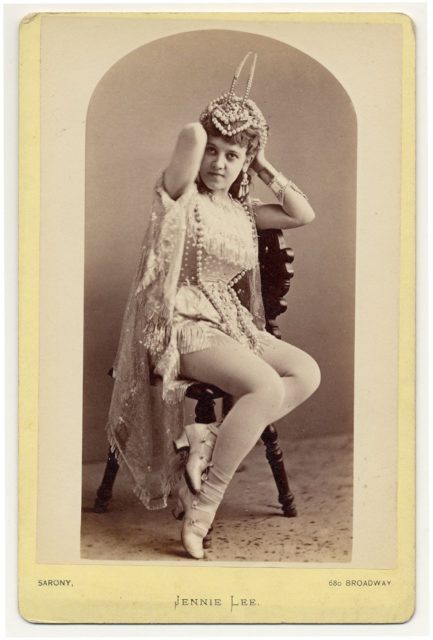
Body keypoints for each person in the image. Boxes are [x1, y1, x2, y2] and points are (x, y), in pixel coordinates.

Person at [106, 52, 320, 560]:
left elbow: (302, 214)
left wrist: (262, 160)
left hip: (232, 321)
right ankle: (203, 510)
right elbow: (189, 139)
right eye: (215, 152)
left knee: (306, 372)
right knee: (266, 385)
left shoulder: (242, 210)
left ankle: (205, 440)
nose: (219, 163)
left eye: (232, 156)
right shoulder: (181, 196)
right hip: (183, 322)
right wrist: (213, 131)